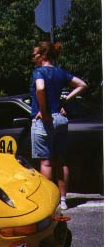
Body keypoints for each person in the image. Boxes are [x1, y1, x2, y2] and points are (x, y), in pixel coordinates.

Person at [30, 41, 87, 210]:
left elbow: (40, 89)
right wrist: (64, 99)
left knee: (46, 163)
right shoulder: (60, 72)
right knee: (60, 161)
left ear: (43, 56)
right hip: (61, 120)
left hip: (44, 120)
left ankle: (49, 202)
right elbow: (82, 84)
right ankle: (63, 200)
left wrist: (44, 110)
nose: (32, 58)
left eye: (34, 55)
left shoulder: (38, 71)